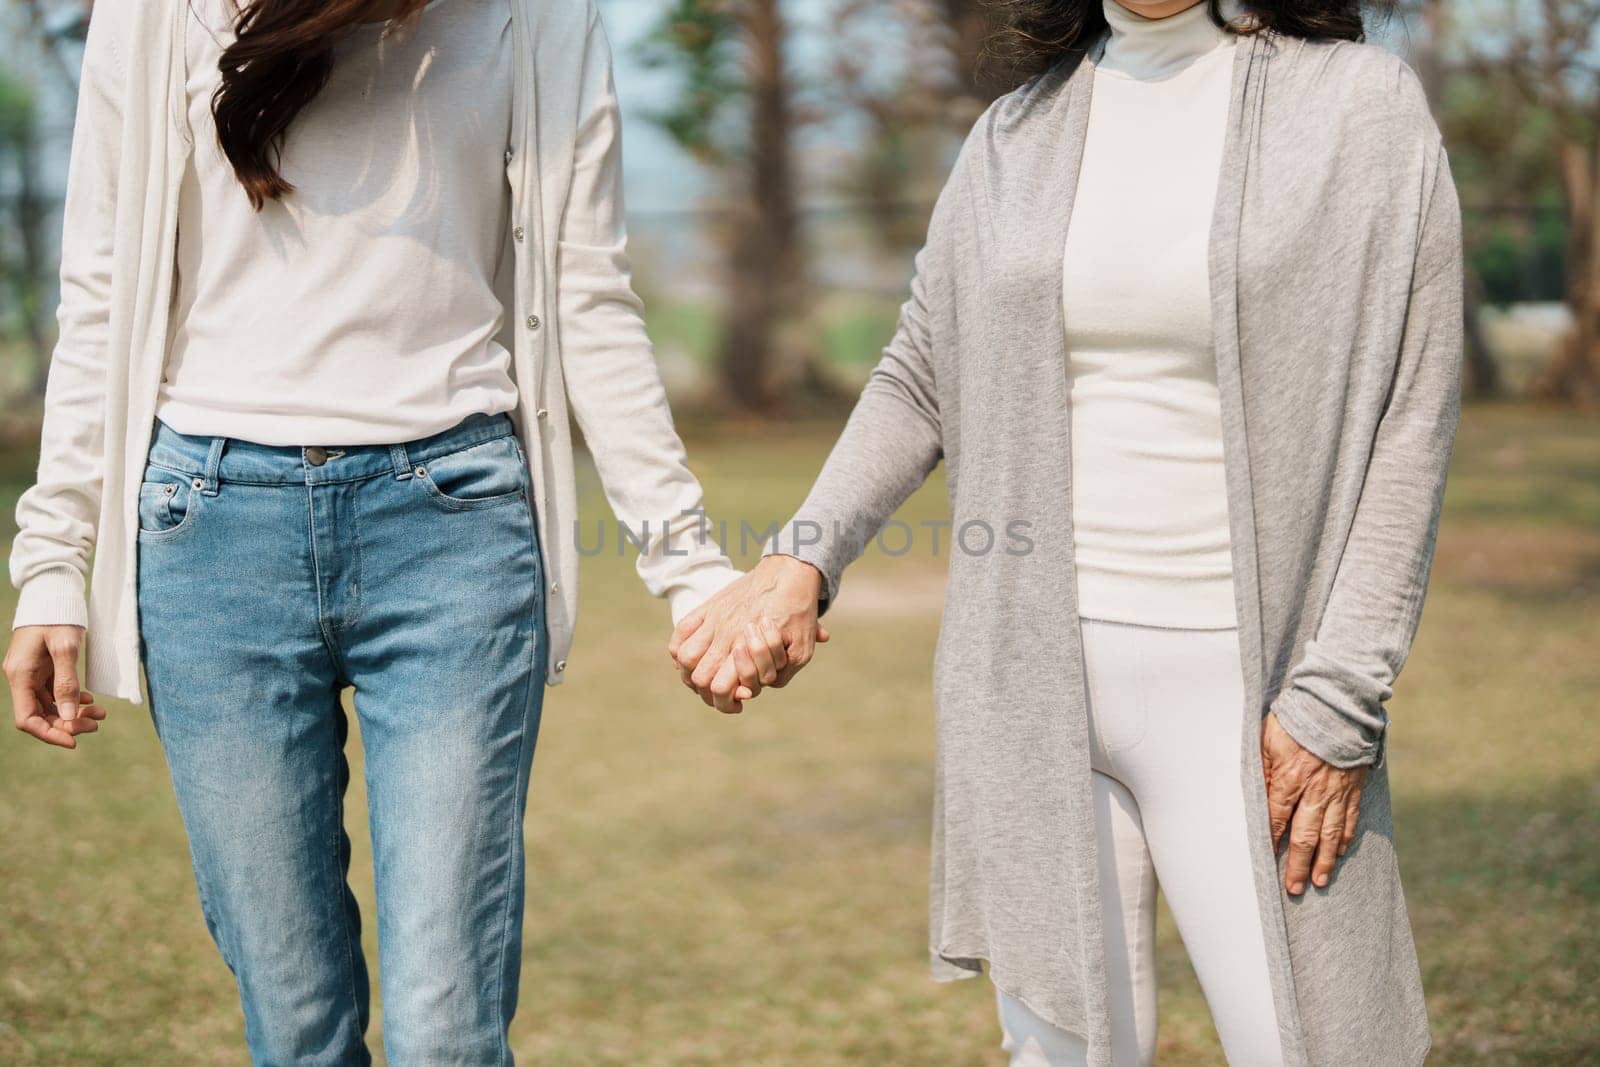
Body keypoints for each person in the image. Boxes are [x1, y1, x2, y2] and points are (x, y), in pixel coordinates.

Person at [671, 1, 1461, 1063]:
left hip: (1254, 696)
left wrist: (1337, 695)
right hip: (1030, 686)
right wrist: (796, 557)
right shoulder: (1015, 133)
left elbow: (1411, 410)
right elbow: (920, 374)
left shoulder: (1360, 105)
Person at [4, 0, 737, 1062]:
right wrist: (54, 563)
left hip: (452, 527)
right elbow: (102, 287)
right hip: (209, 536)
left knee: (450, 1028)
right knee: (297, 1028)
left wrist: (689, 560)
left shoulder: (537, 14)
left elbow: (589, 290)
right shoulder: (155, 11)